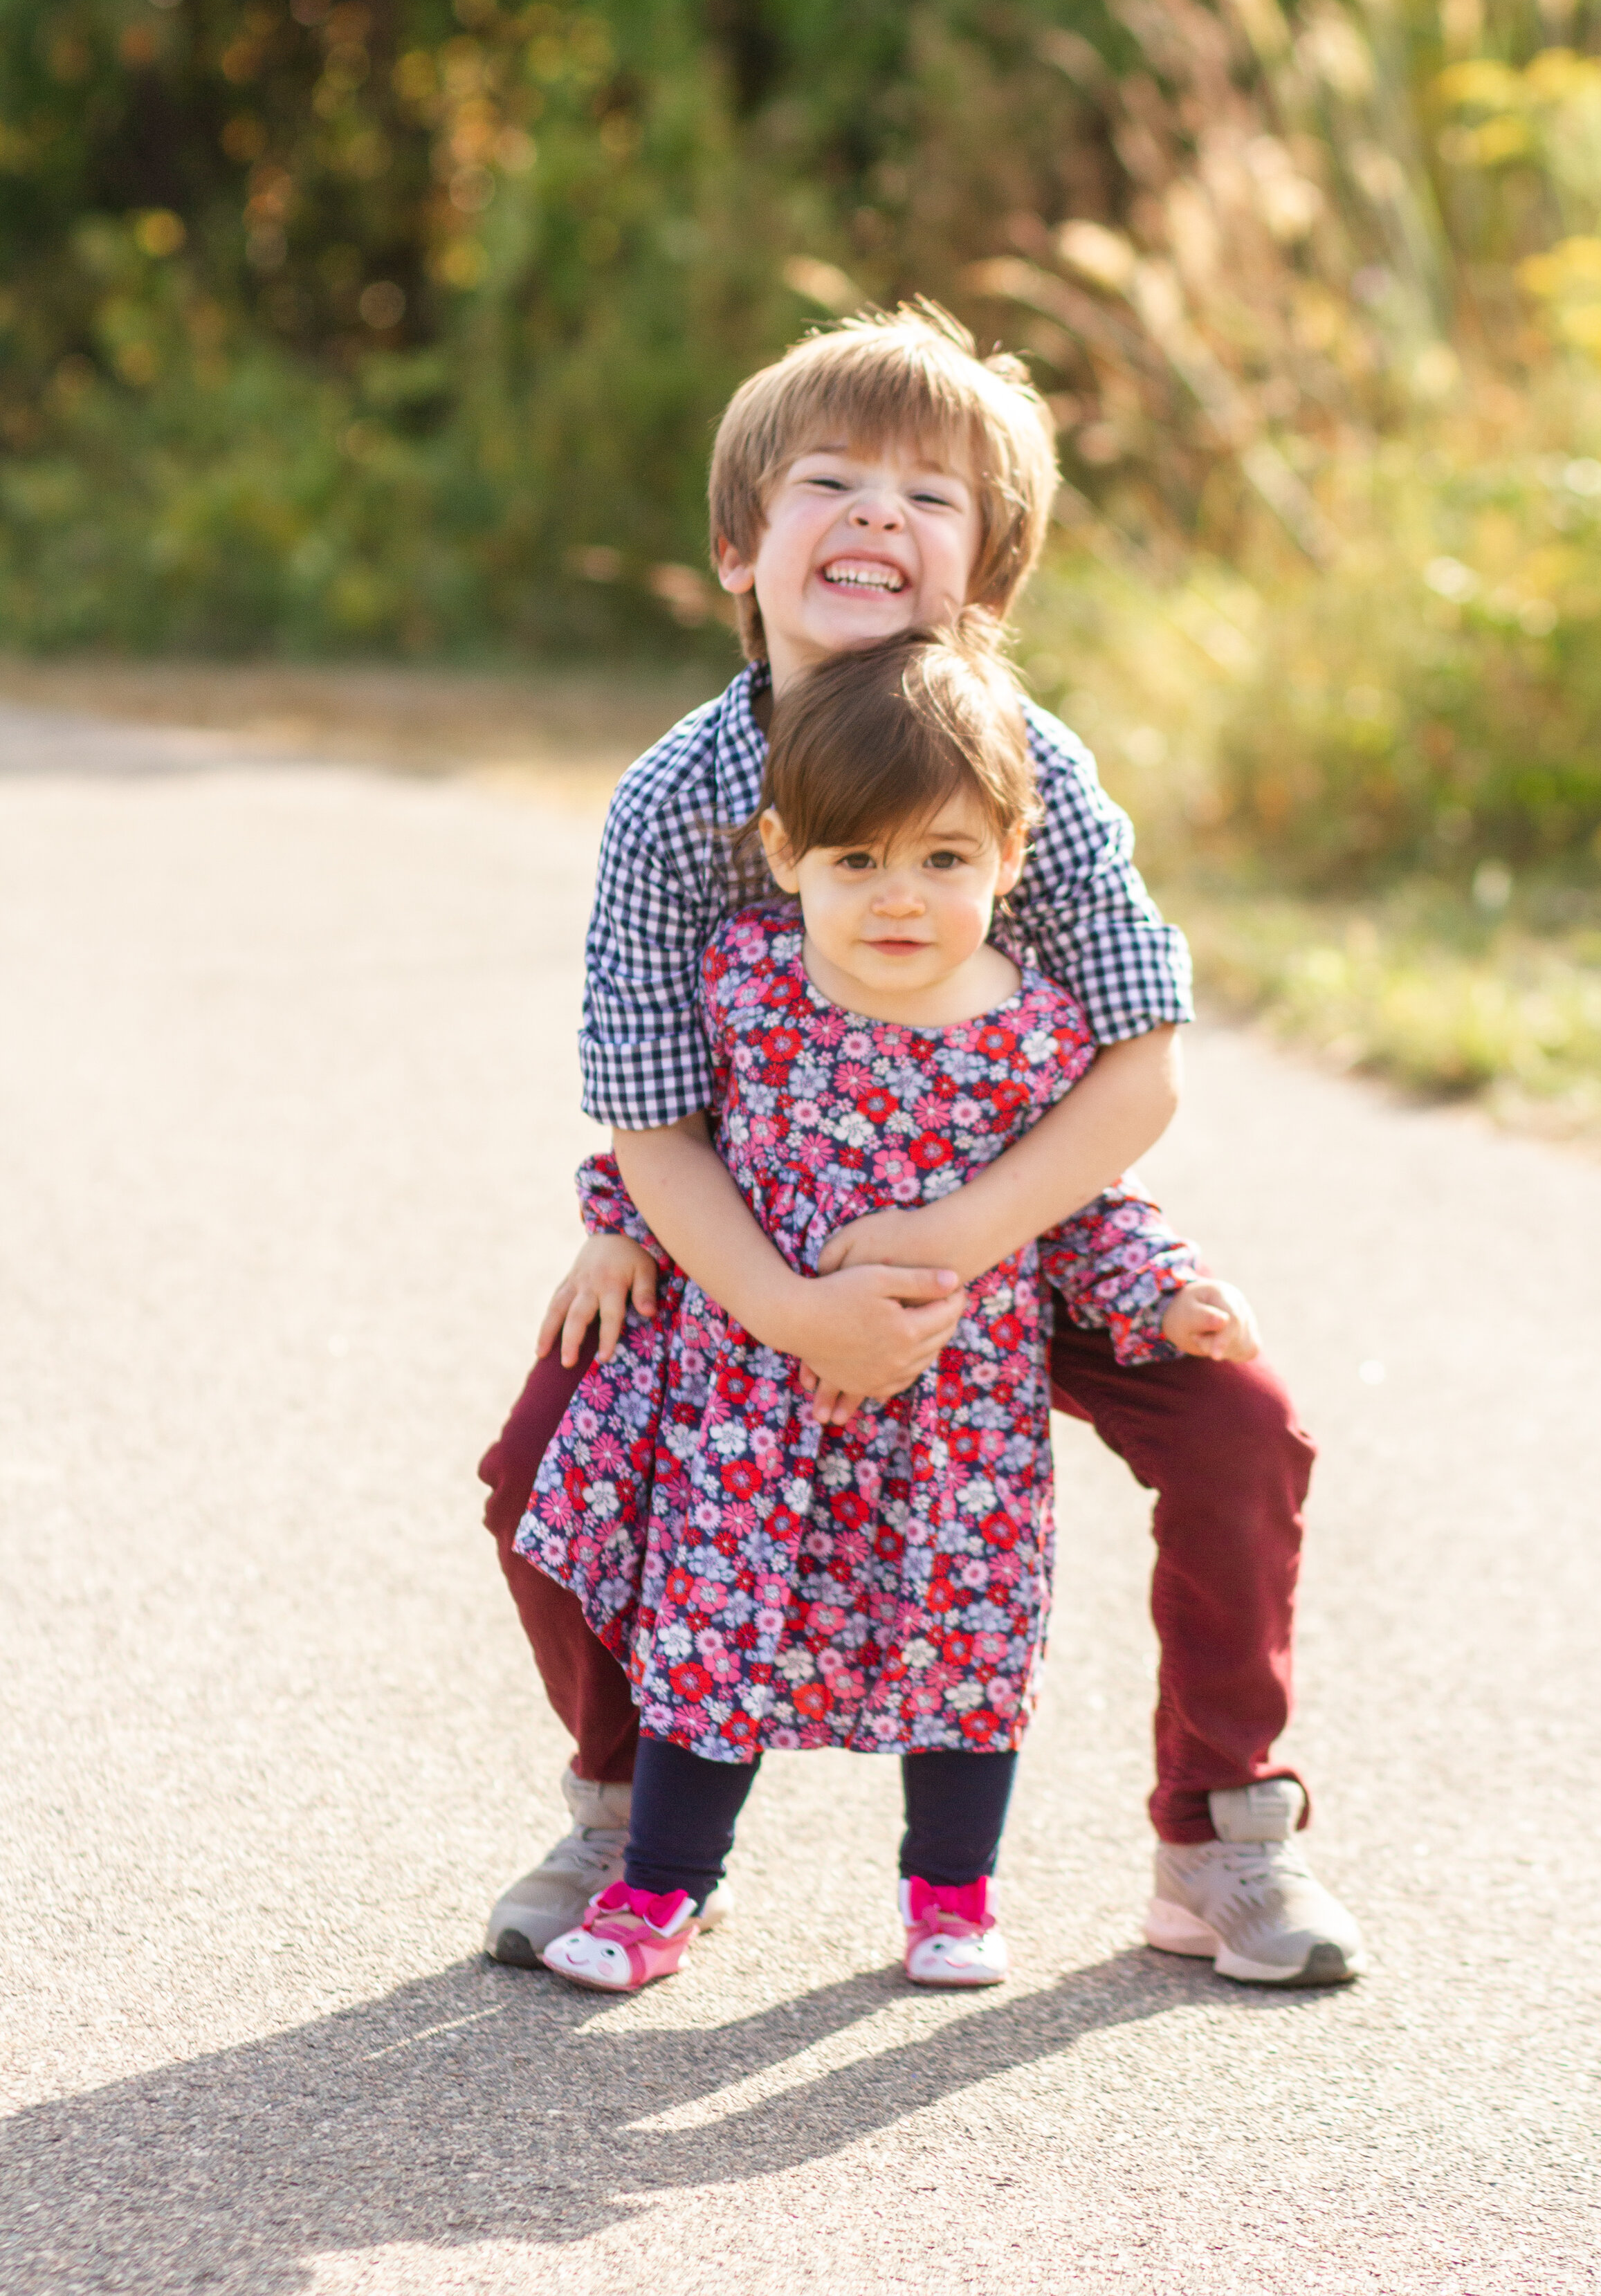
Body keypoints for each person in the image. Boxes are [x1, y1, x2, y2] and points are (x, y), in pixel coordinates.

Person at [480, 302, 1366, 1986]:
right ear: (741, 547)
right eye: (831, 481)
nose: (878, 514)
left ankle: (1218, 1840)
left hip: (1020, 1210)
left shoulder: (1034, 774)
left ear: (988, 582)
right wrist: (794, 1309)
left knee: (1243, 1425)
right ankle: (625, 1817)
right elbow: (655, 1117)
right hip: (751, 1228)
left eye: (930, 496)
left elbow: (1138, 1061)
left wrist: (957, 1242)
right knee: (543, 1463)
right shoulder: (677, 804)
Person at [513, 625, 1221, 1992]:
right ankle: (658, 1892)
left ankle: (950, 1896)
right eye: (855, 862)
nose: (897, 898)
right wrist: (613, 1231)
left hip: (954, 1422)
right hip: (754, 1407)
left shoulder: (1039, 1037)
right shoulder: (749, 988)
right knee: (710, 1639)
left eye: (943, 861)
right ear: (785, 860)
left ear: (1008, 864)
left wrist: (1164, 1293)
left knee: (963, 1648)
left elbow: (1085, 1206)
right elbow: (677, 1142)